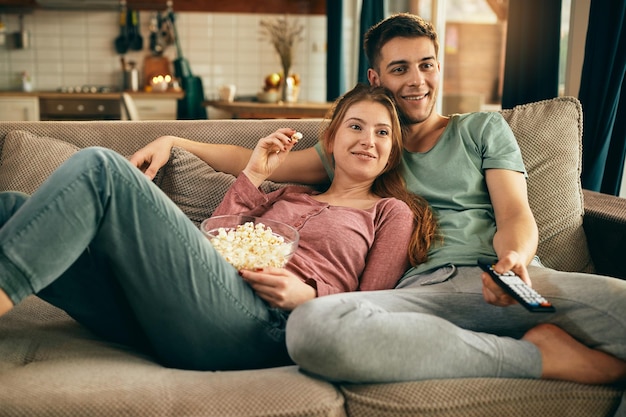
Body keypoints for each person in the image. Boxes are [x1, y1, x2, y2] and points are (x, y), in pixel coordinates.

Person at [131, 13, 626, 387]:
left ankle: (533, 331)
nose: (417, 80)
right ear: (376, 79)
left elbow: (515, 211)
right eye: (400, 68)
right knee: (313, 329)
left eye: (426, 65)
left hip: (507, 282)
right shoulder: (363, 148)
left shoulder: (482, 128)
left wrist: (513, 260)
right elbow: (255, 162)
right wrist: (177, 143)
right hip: (412, 297)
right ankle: (535, 357)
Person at [0, 84, 437, 371]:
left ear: (392, 151)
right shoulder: (289, 195)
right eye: (356, 126)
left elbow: (376, 308)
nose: (368, 139)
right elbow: (220, 233)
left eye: (382, 133)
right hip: (186, 309)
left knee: (101, 167)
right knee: (10, 208)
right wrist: (255, 172)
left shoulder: (391, 213)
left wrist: (311, 297)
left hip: (262, 327)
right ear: (332, 140)